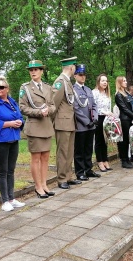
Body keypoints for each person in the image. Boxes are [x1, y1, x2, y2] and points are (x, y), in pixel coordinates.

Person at [19, 60, 56, 198]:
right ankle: (38, 186)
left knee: (45, 157)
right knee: (36, 157)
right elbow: (22, 107)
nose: (33, 72)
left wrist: (49, 110)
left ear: (41, 71)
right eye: (31, 70)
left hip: (46, 126)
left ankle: (44, 184)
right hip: (34, 126)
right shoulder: (25, 88)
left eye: (36, 69)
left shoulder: (48, 87)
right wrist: (39, 112)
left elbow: (53, 105)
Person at [0, 75, 26, 210]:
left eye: (1, 87)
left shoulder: (11, 101)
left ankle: (11, 198)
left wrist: (20, 122)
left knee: (11, 170)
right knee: (2, 171)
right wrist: (10, 123)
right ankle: (4, 201)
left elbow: (20, 116)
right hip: (1, 141)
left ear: (7, 89)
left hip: (13, 139)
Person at [52, 57, 81, 189]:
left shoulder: (67, 81)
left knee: (69, 151)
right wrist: (53, 122)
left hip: (69, 122)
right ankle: (61, 178)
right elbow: (53, 104)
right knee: (63, 152)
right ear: (71, 67)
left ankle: (68, 176)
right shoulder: (60, 82)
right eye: (74, 66)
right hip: (62, 123)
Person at [72, 64, 100, 181]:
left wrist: (95, 118)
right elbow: (75, 108)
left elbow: (94, 105)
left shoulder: (88, 89)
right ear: (75, 76)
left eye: (84, 75)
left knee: (89, 148)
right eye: (80, 75)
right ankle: (80, 172)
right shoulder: (73, 90)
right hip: (81, 125)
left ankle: (88, 170)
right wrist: (87, 121)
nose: (83, 77)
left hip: (91, 124)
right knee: (79, 150)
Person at [115, 76, 133, 168]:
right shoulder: (118, 95)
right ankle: (124, 160)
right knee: (123, 141)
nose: (126, 82)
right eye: (124, 81)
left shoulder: (127, 93)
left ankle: (127, 159)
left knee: (128, 140)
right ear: (120, 83)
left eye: (126, 80)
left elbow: (132, 106)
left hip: (130, 119)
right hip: (124, 119)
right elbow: (124, 109)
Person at [92, 74, 113, 171]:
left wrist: (110, 113)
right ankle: (99, 161)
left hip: (107, 119)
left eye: (106, 81)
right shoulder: (94, 93)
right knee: (99, 140)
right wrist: (103, 112)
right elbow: (93, 108)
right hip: (98, 119)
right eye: (103, 81)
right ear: (98, 82)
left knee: (105, 141)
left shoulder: (107, 93)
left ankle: (105, 160)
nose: (105, 83)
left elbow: (108, 106)